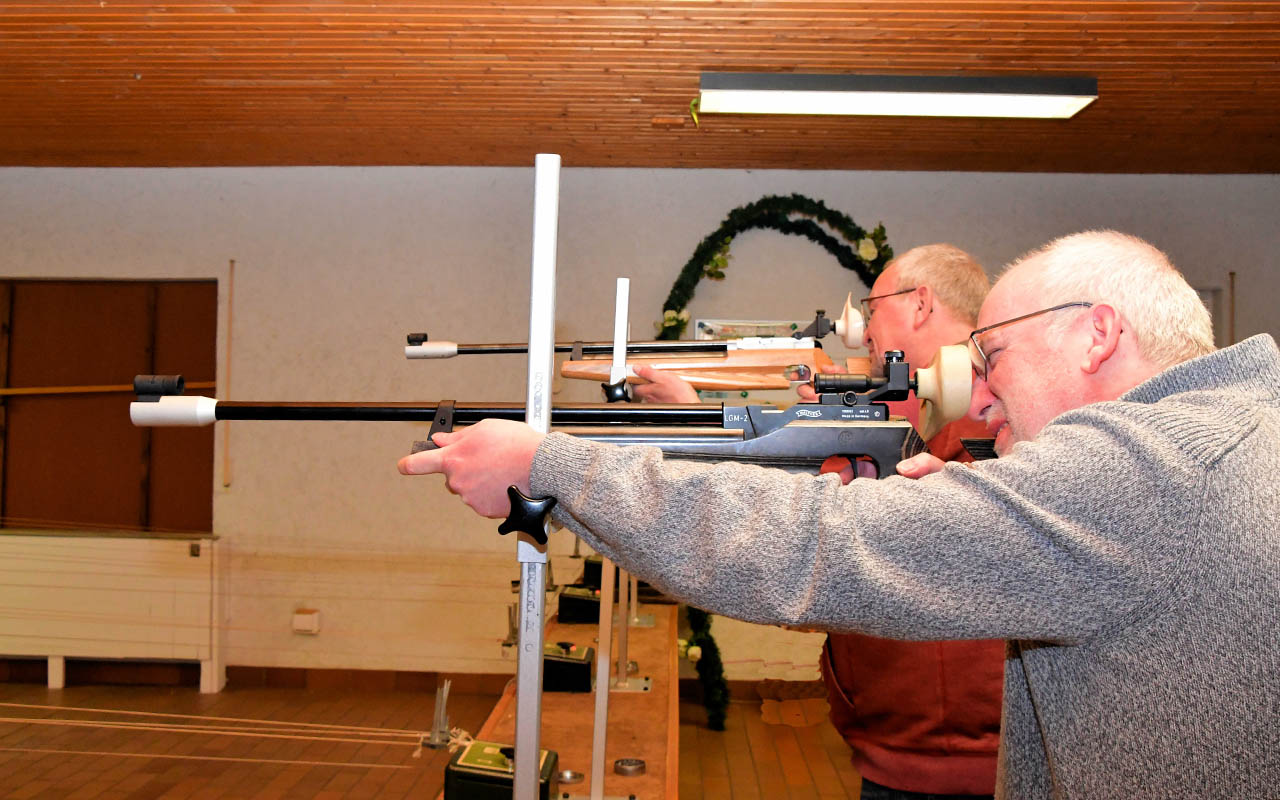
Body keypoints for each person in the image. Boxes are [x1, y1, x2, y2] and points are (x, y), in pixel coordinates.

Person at [400, 231, 1279, 799]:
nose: (985, 391)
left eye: (996, 355)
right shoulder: (1230, 434)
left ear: (1097, 333)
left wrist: (547, 464)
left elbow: (822, 544)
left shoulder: (1137, 470)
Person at [638, 244, 1005, 800]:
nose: (858, 328)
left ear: (921, 305)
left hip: (947, 754)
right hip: (910, 743)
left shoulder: (984, 408)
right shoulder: (927, 407)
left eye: (874, 307)